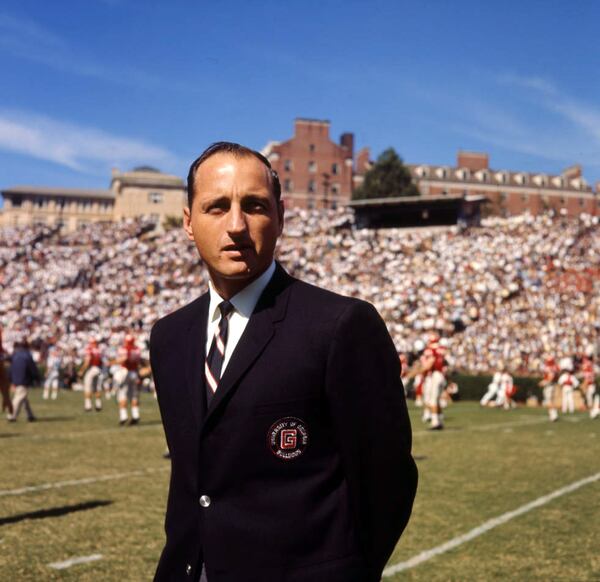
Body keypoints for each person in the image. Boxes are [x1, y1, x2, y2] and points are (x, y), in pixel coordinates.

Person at [150, 142, 417, 582]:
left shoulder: (339, 325)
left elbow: (387, 481)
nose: (236, 225)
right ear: (188, 222)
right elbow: (193, 481)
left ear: (280, 216)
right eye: (217, 207)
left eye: (254, 206)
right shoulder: (169, 336)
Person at [7, 339, 40, 422]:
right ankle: (11, 415)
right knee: (19, 397)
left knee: (23, 397)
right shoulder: (27, 355)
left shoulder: (15, 355)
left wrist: (10, 379)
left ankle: (30, 415)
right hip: (23, 379)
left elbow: (10, 368)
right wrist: (36, 378)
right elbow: (32, 368)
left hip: (16, 378)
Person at [115, 334, 142, 425]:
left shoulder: (124, 348)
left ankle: (123, 416)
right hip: (134, 373)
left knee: (122, 394)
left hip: (125, 372)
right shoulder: (137, 349)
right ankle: (136, 415)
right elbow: (138, 362)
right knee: (134, 395)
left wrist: (114, 361)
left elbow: (123, 359)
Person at [80, 338, 103, 412]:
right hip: (99, 370)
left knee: (87, 387)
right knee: (97, 388)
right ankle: (98, 405)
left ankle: (88, 405)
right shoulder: (100, 350)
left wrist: (81, 370)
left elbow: (87, 361)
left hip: (92, 369)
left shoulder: (90, 350)